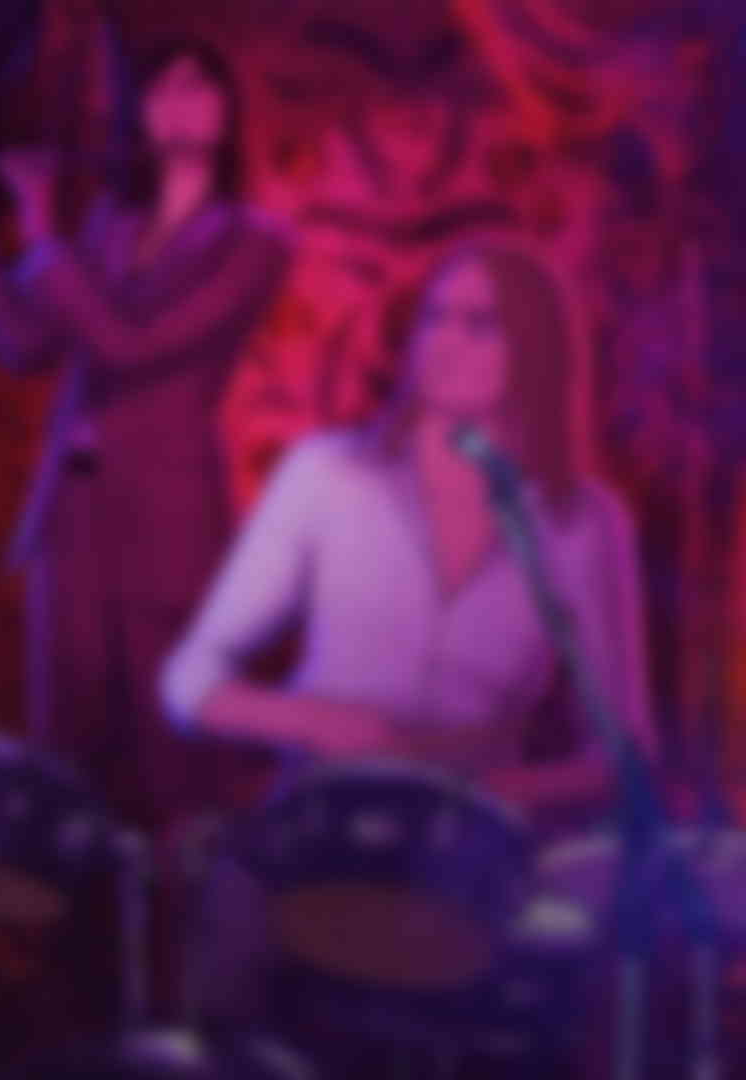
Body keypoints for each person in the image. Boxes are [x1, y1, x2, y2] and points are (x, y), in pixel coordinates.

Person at [160, 240, 656, 1028]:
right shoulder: (326, 474)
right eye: (434, 318)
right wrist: (321, 722)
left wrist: (492, 793)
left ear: (536, 354)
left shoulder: (585, 523)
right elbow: (187, 682)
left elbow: (625, 753)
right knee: (233, 919)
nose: (443, 342)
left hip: (469, 859)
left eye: (480, 324)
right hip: (317, 828)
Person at [0, 38, 293, 828]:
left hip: (166, 522)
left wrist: (43, 235)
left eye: (200, 86)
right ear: (139, 114)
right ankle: (74, 906)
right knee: (65, 757)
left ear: (230, 111)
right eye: (161, 90)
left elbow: (137, 346)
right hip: (72, 517)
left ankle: (181, 906)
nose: (179, 103)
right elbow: (23, 343)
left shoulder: (252, 241)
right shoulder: (107, 227)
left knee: (173, 764)